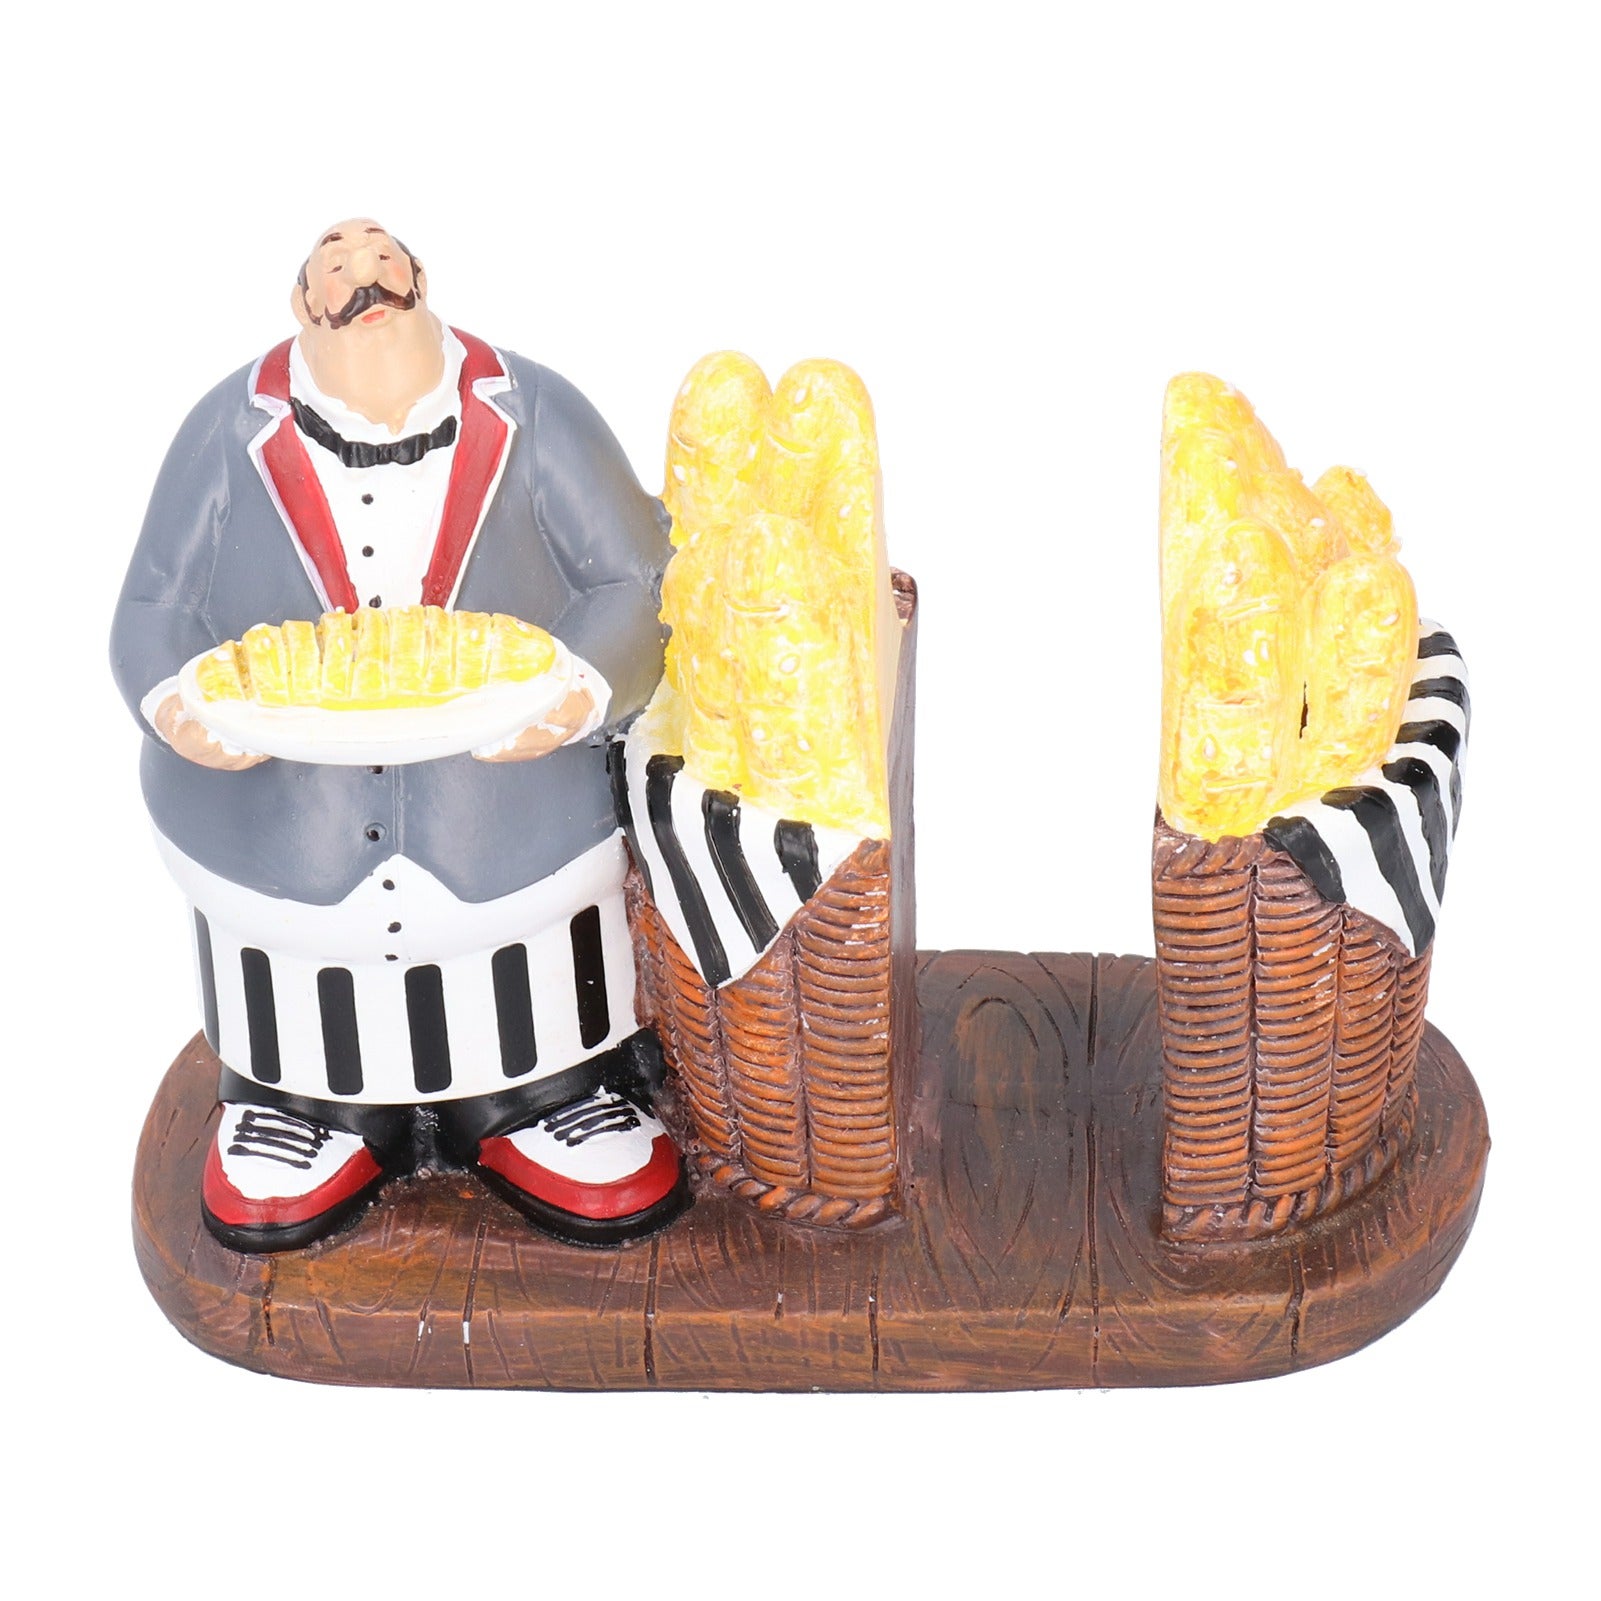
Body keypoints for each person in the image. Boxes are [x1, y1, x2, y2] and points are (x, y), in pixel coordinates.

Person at [111, 219, 687, 1251]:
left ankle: (552, 1091)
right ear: (301, 305)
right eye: (333, 265)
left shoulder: (538, 412)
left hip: (515, 827)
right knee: (302, 999)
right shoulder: (223, 432)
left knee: (531, 979)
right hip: (280, 838)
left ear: (421, 277)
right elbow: (153, 605)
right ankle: (298, 1102)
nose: (361, 276)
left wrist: (583, 685)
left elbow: (637, 578)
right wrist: (175, 704)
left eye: (381, 257)